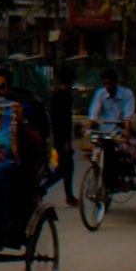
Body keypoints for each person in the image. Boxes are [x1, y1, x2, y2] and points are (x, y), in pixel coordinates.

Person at [0, 67, 44, 240]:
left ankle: (5, 219)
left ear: (9, 88)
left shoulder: (22, 108)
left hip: (14, 161)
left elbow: (39, 142)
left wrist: (22, 121)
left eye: (1, 87)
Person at [88, 67, 136, 189]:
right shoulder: (100, 93)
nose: (108, 87)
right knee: (97, 150)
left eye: (110, 84)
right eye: (105, 84)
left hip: (120, 130)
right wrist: (88, 128)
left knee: (122, 154)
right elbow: (94, 114)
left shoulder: (127, 94)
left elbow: (128, 116)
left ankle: (118, 178)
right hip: (104, 129)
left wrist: (127, 131)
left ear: (116, 82)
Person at [40, 66, 79, 207]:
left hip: (56, 135)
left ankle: (69, 197)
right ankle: (42, 188)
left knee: (68, 167)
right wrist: (67, 140)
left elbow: (53, 118)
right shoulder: (66, 96)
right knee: (63, 168)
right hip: (62, 137)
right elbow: (66, 120)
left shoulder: (55, 95)